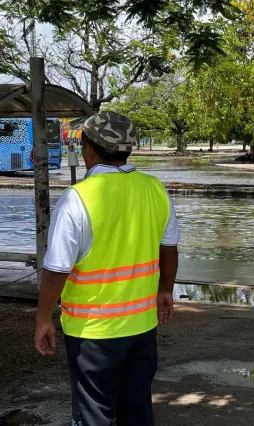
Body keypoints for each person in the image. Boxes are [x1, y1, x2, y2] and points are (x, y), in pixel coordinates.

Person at [34, 111, 180, 426]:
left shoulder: (77, 199)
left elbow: (57, 268)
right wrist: (166, 290)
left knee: (93, 413)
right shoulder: (155, 188)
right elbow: (169, 249)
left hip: (92, 332)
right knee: (137, 408)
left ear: (88, 149)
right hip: (141, 326)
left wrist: (43, 317)